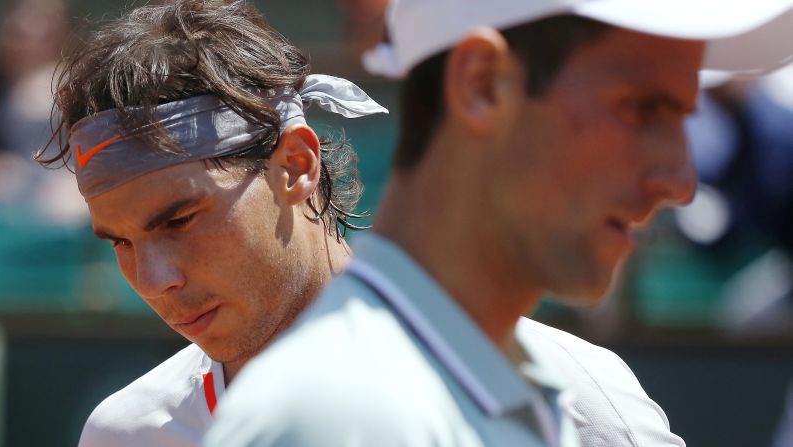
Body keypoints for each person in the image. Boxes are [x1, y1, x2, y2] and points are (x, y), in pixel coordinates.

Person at [206, 1, 793, 446]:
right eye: (641, 109)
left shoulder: (547, 386)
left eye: (683, 116)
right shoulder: (336, 415)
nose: (680, 181)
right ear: (482, 85)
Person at [34, 1, 386, 445]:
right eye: (121, 243)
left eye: (179, 221)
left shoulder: (469, 373)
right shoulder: (126, 434)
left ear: (296, 167)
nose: (153, 281)